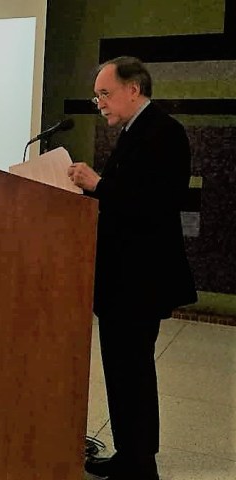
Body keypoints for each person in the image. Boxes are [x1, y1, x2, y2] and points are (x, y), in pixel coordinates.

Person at [67, 56, 197, 480]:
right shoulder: (134, 131)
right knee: (123, 371)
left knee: (133, 371)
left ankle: (140, 465)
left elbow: (158, 202)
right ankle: (130, 455)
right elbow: (127, 197)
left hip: (140, 279)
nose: (99, 102)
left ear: (133, 89)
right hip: (124, 278)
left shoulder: (164, 132)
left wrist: (99, 185)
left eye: (105, 93)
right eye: (96, 95)